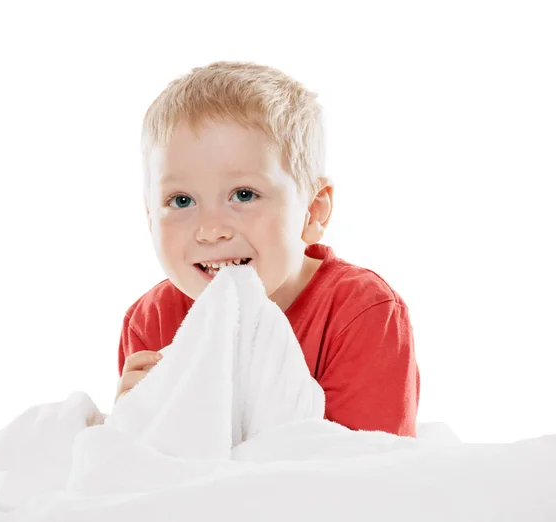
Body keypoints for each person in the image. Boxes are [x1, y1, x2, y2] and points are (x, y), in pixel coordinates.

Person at [116, 61, 420, 437]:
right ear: (149, 216)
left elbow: (366, 473)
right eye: (181, 200)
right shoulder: (151, 322)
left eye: (244, 195)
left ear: (313, 210)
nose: (210, 231)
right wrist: (134, 420)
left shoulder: (362, 312)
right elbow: (150, 476)